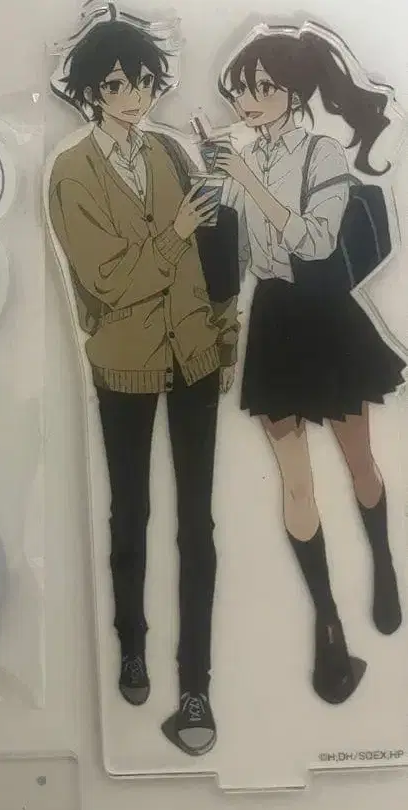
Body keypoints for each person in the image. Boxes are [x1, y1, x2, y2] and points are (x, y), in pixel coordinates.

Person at [47, 18, 239, 756]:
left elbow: (214, 256)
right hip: (123, 358)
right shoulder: (71, 171)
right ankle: (132, 644)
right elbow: (109, 281)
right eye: (118, 84)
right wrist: (178, 230)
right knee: (130, 512)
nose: (135, 96)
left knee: (199, 521)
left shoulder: (170, 152)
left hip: (194, 353)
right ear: (91, 92)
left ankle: (197, 685)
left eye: (145, 82)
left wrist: (225, 334)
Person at [216, 26, 405, 705]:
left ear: (293, 94)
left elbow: (317, 241)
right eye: (243, 89)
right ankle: (327, 624)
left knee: (358, 460)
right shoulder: (242, 160)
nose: (249, 100)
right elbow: (241, 259)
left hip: (325, 315)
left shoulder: (320, 152)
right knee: (295, 483)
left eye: (264, 88)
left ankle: (383, 562)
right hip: (273, 318)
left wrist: (248, 183)